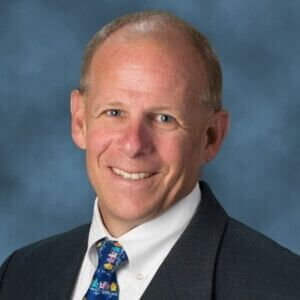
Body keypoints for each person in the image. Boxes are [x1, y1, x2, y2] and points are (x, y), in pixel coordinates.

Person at [0, 10, 299, 300]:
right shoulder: (19, 274)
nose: (133, 144)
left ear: (211, 137)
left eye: (164, 118)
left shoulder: (280, 287)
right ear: (79, 121)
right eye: (114, 112)